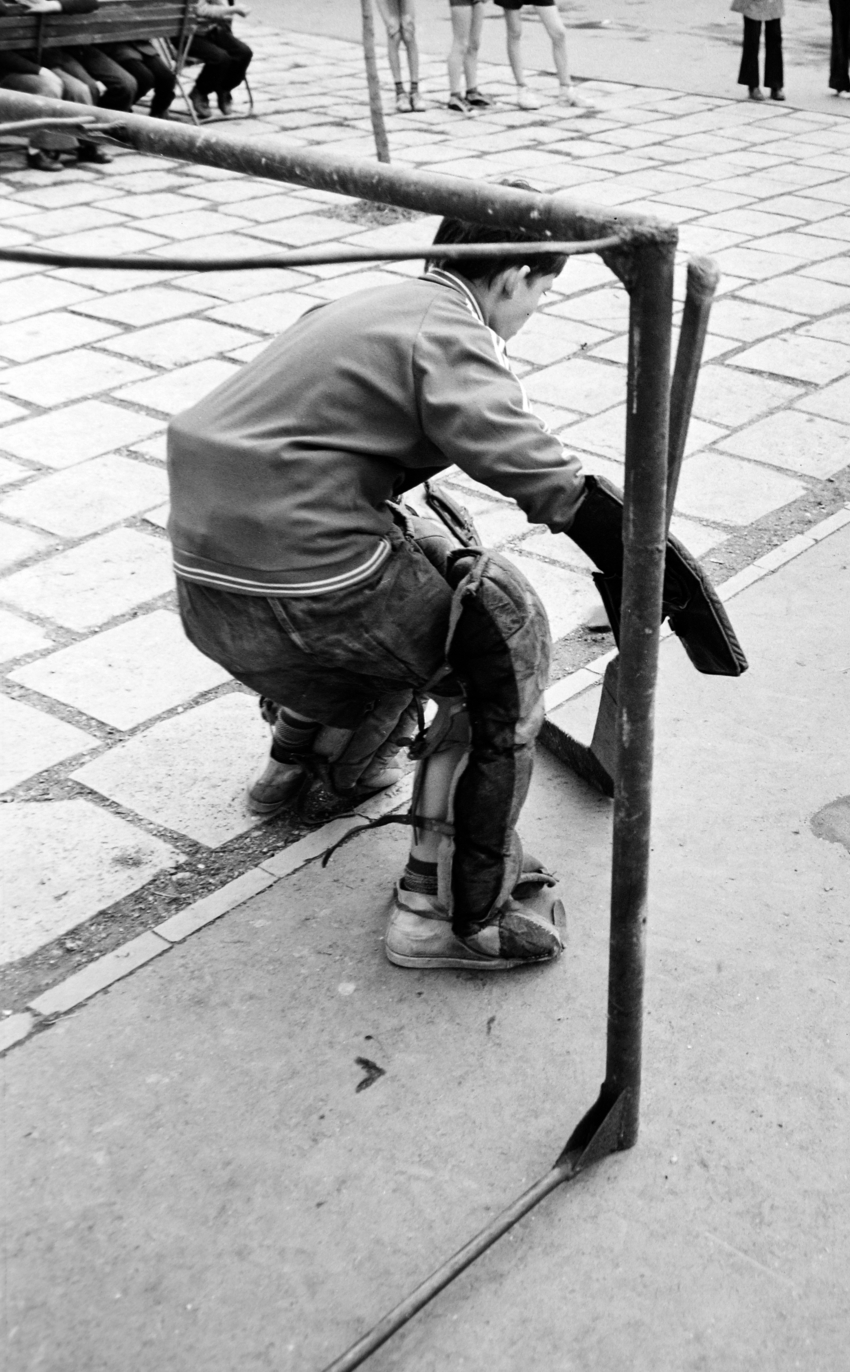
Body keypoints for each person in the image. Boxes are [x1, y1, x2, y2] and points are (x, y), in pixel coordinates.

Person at [165, 206, 742, 972]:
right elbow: (546, 480)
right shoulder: (450, 329)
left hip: (209, 574)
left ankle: (293, 769)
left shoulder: (363, 306)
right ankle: (440, 909)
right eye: (540, 294)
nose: (535, 311)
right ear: (512, 277)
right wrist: (659, 575)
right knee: (501, 640)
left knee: (418, 566)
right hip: (312, 577)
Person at [0, 0, 108, 170]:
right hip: (10, 70)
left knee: (80, 89)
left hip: (43, 64)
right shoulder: (3, 3)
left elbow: (90, 0)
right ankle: (38, 150)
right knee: (49, 87)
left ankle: (87, 143)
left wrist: (53, 4)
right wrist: (38, 70)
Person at [175, 0, 252, 121]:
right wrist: (233, 9)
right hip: (187, 31)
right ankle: (200, 92)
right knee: (221, 58)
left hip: (209, 28)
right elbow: (200, 9)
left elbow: (221, 7)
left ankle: (224, 89)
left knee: (243, 53)